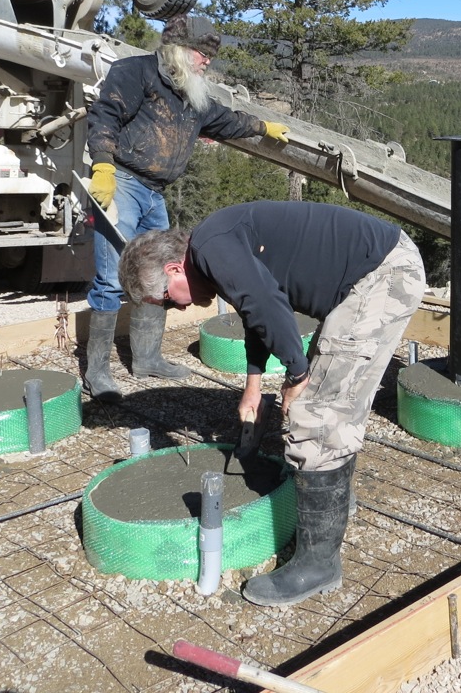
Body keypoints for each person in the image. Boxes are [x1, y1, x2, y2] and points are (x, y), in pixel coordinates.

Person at [117, 200, 426, 606]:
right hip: (379, 268)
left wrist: (297, 376)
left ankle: (319, 565)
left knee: (315, 415)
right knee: (330, 402)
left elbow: (267, 303)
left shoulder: (211, 246)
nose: (179, 307)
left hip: (382, 274)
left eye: (168, 299)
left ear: (174, 268)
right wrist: (253, 385)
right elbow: (255, 312)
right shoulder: (214, 244)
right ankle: (335, 506)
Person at [83, 14, 289, 401]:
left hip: (154, 192)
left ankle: (146, 359)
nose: (207, 61)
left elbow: (225, 121)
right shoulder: (135, 72)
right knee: (111, 278)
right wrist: (103, 166)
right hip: (122, 183)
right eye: (202, 52)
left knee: (160, 275)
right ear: (178, 50)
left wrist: (262, 128)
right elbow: (105, 115)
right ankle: (97, 373)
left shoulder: (190, 93)